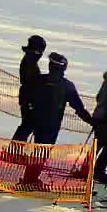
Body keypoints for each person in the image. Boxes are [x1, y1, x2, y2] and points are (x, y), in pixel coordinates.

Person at [17, 53, 92, 190]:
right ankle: (29, 180)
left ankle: (30, 178)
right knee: (42, 152)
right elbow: (79, 107)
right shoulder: (67, 86)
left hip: (36, 120)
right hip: (51, 124)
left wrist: (28, 113)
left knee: (38, 150)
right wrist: (92, 121)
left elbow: (25, 95)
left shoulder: (39, 80)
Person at [12, 35, 47, 141]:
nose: (40, 55)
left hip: (28, 97)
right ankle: (13, 150)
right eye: (39, 52)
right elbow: (30, 82)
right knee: (27, 125)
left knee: (28, 125)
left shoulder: (30, 60)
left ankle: (15, 150)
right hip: (28, 98)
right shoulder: (29, 61)